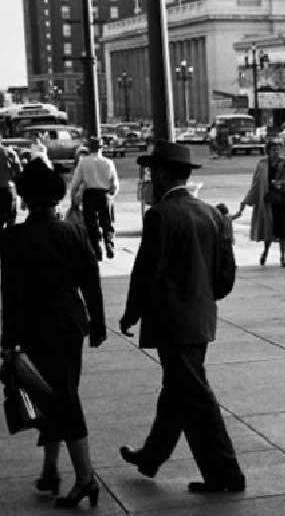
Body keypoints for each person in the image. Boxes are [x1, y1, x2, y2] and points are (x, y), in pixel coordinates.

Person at [118, 141, 244, 494]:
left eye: (149, 173)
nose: (148, 179)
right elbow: (224, 275)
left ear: (160, 174)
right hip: (200, 319)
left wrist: (132, 313)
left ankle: (226, 474)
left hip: (172, 322)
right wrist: (203, 297)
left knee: (196, 398)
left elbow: (146, 272)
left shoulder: (159, 215)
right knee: (178, 390)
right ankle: (151, 456)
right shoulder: (210, 213)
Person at [0, 158, 106, 508]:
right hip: (70, 325)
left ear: (27, 199)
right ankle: (50, 471)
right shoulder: (73, 232)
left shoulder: (12, 238)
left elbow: (11, 294)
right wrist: (98, 323)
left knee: (59, 400)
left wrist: (7, 340)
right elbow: (91, 280)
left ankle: (85, 478)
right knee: (58, 396)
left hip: (35, 329)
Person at [236, 140, 285, 268]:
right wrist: (246, 200)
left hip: (283, 201)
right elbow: (255, 185)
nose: (276, 151)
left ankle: (283, 257)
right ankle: (265, 252)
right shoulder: (262, 165)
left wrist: (281, 184)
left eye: (278, 148)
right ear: (268, 150)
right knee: (268, 231)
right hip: (268, 202)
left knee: (283, 231)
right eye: (274, 148)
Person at [68, 137, 119, 260]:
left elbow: (75, 183)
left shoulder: (83, 162)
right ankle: (109, 244)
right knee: (107, 222)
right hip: (104, 195)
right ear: (101, 148)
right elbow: (115, 184)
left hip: (89, 195)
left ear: (89, 148)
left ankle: (97, 251)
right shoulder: (108, 162)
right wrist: (112, 194)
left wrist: (73, 200)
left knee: (91, 224)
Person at [0, 140, 23, 230]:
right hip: (7, 188)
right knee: (10, 219)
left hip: (7, 188)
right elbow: (18, 172)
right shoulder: (9, 152)